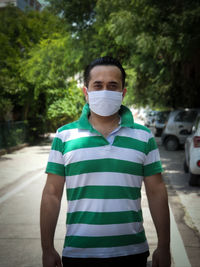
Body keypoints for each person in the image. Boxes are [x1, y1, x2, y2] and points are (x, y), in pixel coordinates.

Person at [40, 56, 171, 267]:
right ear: (86, 92)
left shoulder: (144, 136)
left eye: (112, 86)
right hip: (78, 253)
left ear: (123, 93)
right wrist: (46, 249)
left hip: (132, 251)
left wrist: (164, 246)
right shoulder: (64, 136)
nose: (105, 91)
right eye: (97, 85)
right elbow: (51, 194)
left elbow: (157, 192)